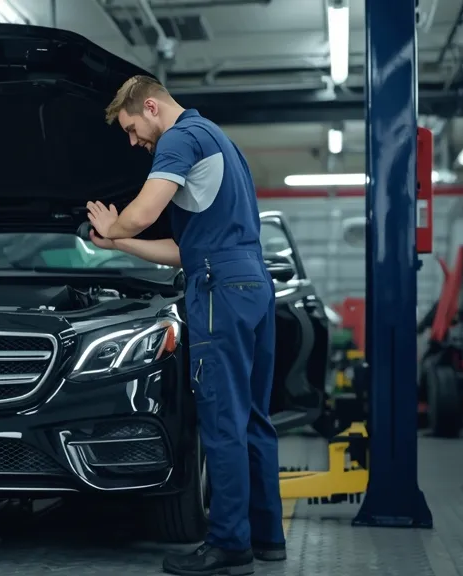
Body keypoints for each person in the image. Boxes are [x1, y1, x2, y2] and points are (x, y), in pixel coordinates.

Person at [85, 75, 285, 576]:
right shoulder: (221, 142)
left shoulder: (178, 138)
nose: (134, 142)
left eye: (132, 128)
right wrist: (118, 245)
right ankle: (267, 539)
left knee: (221, 422)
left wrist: (117, 226)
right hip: (250, 283)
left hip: (219, 291)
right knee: (253, 419)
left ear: (151, 107)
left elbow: (143, 212)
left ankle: (227, 544)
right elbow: (182, 249)